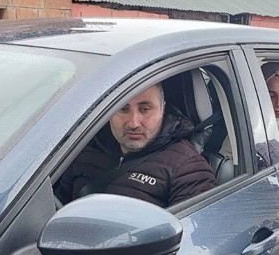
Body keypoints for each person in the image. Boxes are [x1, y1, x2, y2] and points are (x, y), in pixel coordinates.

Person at [56, 83, 216, 209]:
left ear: (163, 109)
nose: (133, 123)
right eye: (122, 109)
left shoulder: (189, 170)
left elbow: (185, 244)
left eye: (145, 109)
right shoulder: (84, 147)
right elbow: (56, 207)